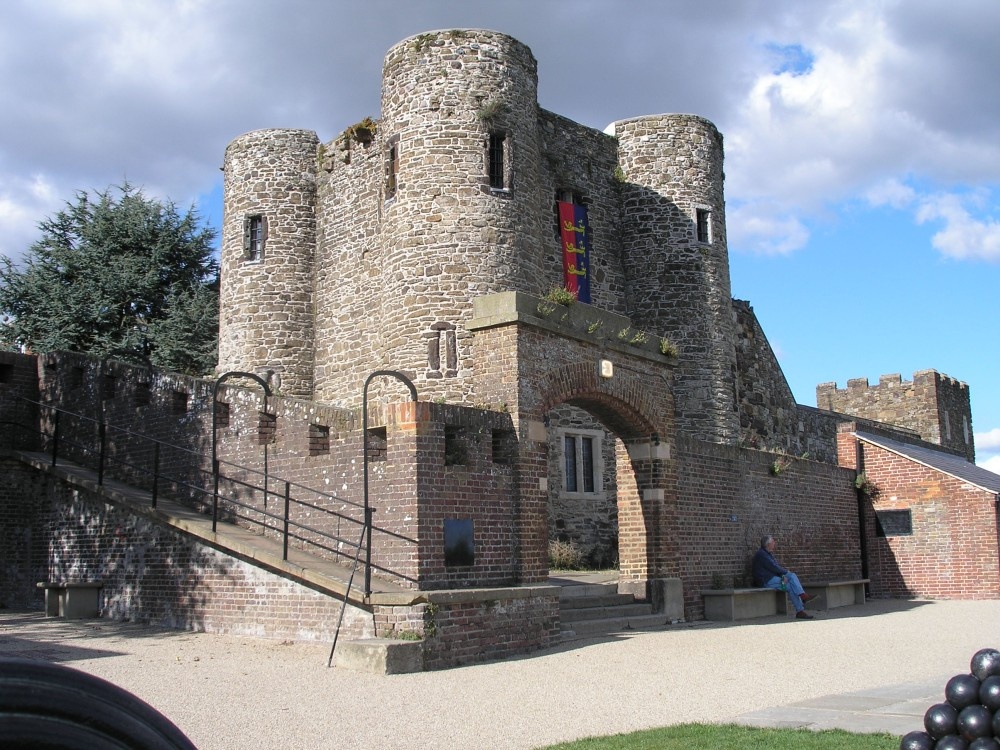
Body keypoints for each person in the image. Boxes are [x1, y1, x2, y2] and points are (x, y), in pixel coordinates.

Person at [751, 535, 817, 619]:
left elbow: (775, 568)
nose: (774, 543)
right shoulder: (761, 554)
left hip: (772, 578)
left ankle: (800, 611)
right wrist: (786, 573)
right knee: (792, 576)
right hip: (765, 581)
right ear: (768, 544)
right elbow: (773, 567)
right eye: (773, 542)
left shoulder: (768, 554)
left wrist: (783, 576)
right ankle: (803, 596)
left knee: (790, 586)